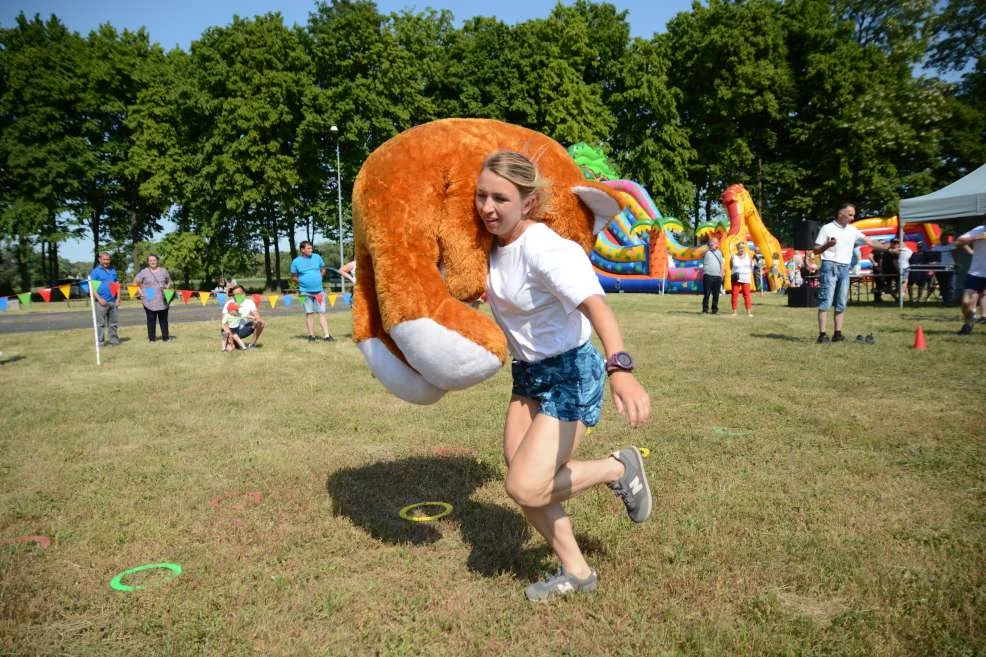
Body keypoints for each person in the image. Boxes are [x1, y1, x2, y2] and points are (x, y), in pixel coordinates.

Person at [477, 151, 652, 602]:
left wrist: (621, 369)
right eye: (481, 196)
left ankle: (619, 467)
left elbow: (597, 307)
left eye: (500, 198)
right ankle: (577, 571)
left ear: (529, 202)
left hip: (572, 373)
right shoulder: (486, 246)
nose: (488, 207)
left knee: (525, 484)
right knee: (524, 484)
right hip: (528, 375)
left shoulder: (547, 249)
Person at [813, 203, 897, 343]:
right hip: (829, 267)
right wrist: (828, 245)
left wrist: (886, 248)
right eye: (850, 214)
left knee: (841, 302)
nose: (853, 217)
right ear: (841, 214)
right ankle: (822, 335)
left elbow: (869, 241)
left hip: (845, 268)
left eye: (853, 214)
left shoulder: (853, 230)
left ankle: (837, 334)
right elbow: (816, 250)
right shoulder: (827, 228)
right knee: (826, 301)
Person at [291, 241, 334, 342]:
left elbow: (323, 269)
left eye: (311, 248)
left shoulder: (317, 257)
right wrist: (302, 282)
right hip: (304, 292)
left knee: (322, 313)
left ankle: (327, 336)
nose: (311, 250)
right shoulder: (296, 261)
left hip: (319, 291)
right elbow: (293, 276)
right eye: (309, 248)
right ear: (302, 250)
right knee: (309, 313)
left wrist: (319, 276)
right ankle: (311, 336)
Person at [955, 216, 986, 335]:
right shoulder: (979, 230)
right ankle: (969, 320)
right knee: (965, 303)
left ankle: (967, 327)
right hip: (976, 273)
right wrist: (977, 237)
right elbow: (958, 242)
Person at [133, 254, 173, 342]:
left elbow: (169, 281)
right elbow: (135, 283)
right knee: (151, 320)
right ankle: (152, 339)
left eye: (154, 260)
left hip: (162, 299)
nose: (152, 262)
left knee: (163, 320)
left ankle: (166, 338)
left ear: (157, 261)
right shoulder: (144, 272)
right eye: (150, 260)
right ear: (148, 262)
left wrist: (166, 287)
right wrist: (141, 292)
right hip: (149, 297)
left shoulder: (163, 271)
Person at [90, 251, 120, 346]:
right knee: (100, 324)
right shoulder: (95, 271)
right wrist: (99, 299)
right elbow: (92, 287)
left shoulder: (113, 270)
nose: (107, 261)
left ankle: (114, 341)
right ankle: (100, 342)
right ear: (100, 259)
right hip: (101, 302)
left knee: (113, 323)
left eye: (108, 259)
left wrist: (118, 298)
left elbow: (117, 284)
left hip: (113, 301)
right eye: (104, 259)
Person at [729, 241, 754, 316]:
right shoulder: (733, 257)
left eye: (743, 248)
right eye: (740, 248)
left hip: (746, 278)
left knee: (747, 295)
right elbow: (731, 267)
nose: (741, 249)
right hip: (736, 278)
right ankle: (734, 311)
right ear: (737, 249)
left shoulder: (748, 256)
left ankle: (749, 311)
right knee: (734, 294)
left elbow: (751, 266)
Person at [701, 238, 723, 314]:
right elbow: (701, 253)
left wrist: (721, 274)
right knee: (707, 293)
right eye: (715, 242)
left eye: (717, 242)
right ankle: (705, 310)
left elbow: (722, 264)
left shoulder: (719, 253)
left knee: (716, 294)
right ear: (710, 243)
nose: (716, 244)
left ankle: (714, 310)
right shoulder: (706, 252)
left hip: (717, 276)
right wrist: (709, 247)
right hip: (708, 275)